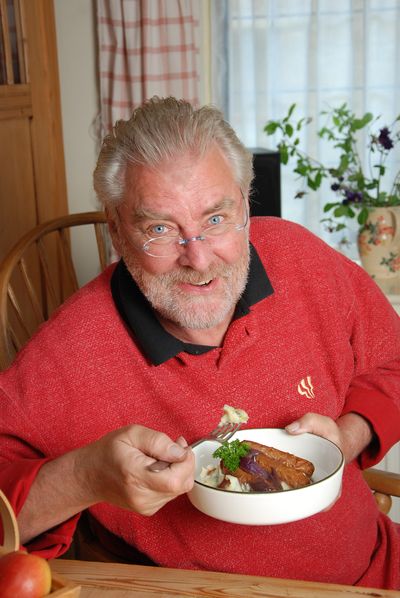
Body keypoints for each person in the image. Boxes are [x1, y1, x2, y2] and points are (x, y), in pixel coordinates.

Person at [1, 96, 399, 589]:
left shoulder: (301, 259)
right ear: (118, 232)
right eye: (161, 229)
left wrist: (351, 433)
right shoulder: (69, 351)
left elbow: (393, 359)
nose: (199, 258)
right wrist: (85, 477)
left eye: (216, 219)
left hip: (375, 572)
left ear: (246, 206)